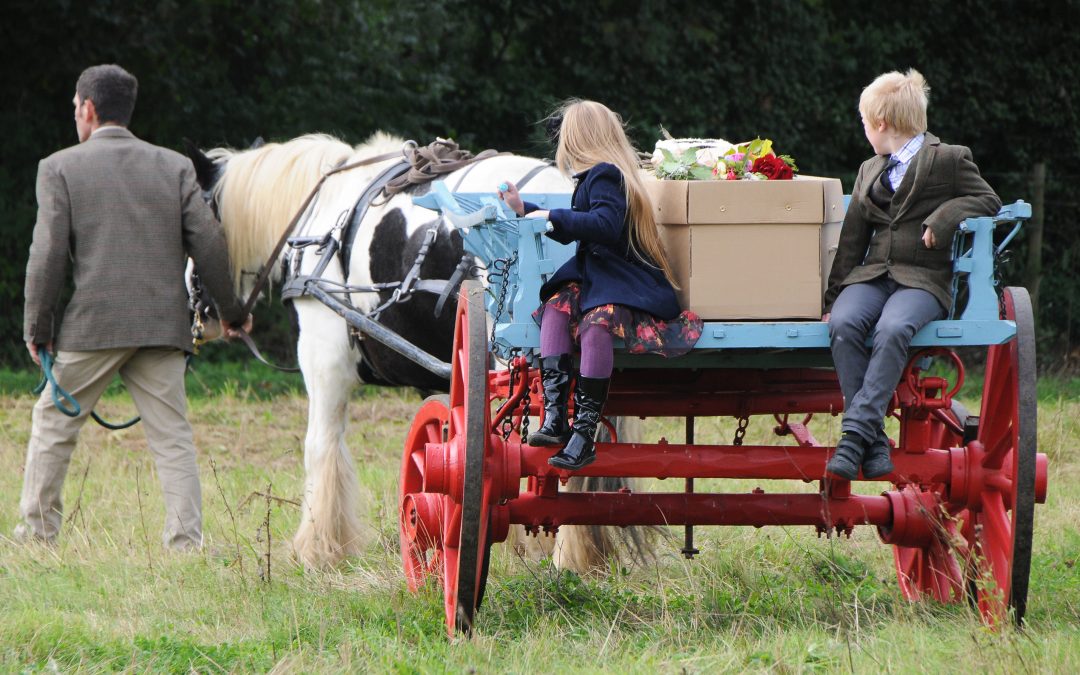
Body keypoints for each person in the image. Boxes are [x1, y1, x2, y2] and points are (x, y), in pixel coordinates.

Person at [18, 64, 251, 549]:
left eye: (75, 108)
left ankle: (37, 536)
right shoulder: (174, 166)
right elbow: (208, 243)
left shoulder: (58, 167)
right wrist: (231, 311)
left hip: (92, 328)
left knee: (53, 424)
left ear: (88, 108)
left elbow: (46, 256)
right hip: (161, 328)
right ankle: (185, 545)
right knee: (173, 439)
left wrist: (38, 326)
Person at [500, 99, 702, 471]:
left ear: (578, 138)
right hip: (598, 272)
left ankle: (584, 431)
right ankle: (556, 414)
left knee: (597, 325)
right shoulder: (595, 177)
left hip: (621, 277)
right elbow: (581, 224)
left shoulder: (607, 174)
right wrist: (526, 210)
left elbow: (605, 226)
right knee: (556, 310)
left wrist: (553, 216)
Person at [823, 69, 1000, 480]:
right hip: (873, 275)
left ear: (881, 124)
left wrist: (945, 217)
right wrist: (833, 299)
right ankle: (873, 437)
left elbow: (987, 199)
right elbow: (852, 239)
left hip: (921, 279)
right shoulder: (870, 168)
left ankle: (853, 438)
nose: (864, 129)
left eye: (865, 122)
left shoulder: (949, 159)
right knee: (846, 323)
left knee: (893, 328)